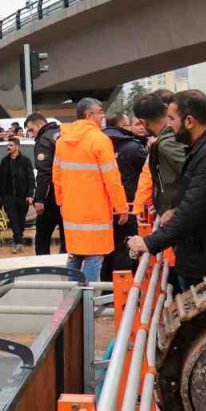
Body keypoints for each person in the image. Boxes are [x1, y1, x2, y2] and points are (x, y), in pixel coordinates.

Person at [128, 91, 206, 286]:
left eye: (171, 118)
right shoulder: (204, 147)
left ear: (189, 121)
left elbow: (193, 209)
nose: (168, 125)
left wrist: (149, 242)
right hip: (205, 258)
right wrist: (175, 209)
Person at [52, 98, 128, 283]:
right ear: (89, 115)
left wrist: (61, 202)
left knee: (75, 255)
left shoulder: (62, 141)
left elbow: (57, 176)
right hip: (95, 211)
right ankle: (89, 304)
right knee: (94, 257)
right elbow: (112, 179)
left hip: (72, 211)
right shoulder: (100, 140)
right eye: (100, 112)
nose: (103, 116)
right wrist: (121, 207)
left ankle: (72, 302)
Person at [103, 112, 147, 274]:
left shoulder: (103, 144)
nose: (141, 128)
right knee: (126, 249)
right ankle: (124, 290)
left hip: (107, 207)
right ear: (122, 126)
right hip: (128, 207)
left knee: (109, 250)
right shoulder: (134, 148)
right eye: (132, 124)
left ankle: (108, 287)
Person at [132, 92, 187, 221]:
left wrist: (176, 209)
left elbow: (197, 175)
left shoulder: (167, 144)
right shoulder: (167, 140)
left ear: (143, 122)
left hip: (179, 216)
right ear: (164, 108)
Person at [25, 112, 64, 255]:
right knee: (67, 237)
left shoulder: (44, 140)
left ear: (40, 124)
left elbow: (44, 173)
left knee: (42, 237)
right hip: (69, 194)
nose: (30, 134)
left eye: (31, 129)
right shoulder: (63, 134)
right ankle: (67, 269)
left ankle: (43, 270)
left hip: (52, 196)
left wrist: (40, 199)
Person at [0, 136, 35, 253]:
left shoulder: (25, 161)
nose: (8, 147)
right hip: (8, 196)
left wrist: (30, 194)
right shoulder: (4, 161)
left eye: (11, 145)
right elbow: (1, 180)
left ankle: (19, 238)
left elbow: (31, 179)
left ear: (17, 147)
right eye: (8, 145)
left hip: (22, 196)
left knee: (21, 220)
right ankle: (18, 242)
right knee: (13, 219)